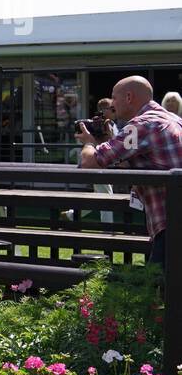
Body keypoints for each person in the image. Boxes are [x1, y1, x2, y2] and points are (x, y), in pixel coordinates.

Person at [78, 76, 182, 268]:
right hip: (173, 220)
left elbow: (90, 163)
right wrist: (107, 141)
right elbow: (142, 159)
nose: (112, 105)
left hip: (171, 224)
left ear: (128, 97)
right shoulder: (173, 119)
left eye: (114, 98)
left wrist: (89, 143)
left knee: (160, 288)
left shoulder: (142, 125)